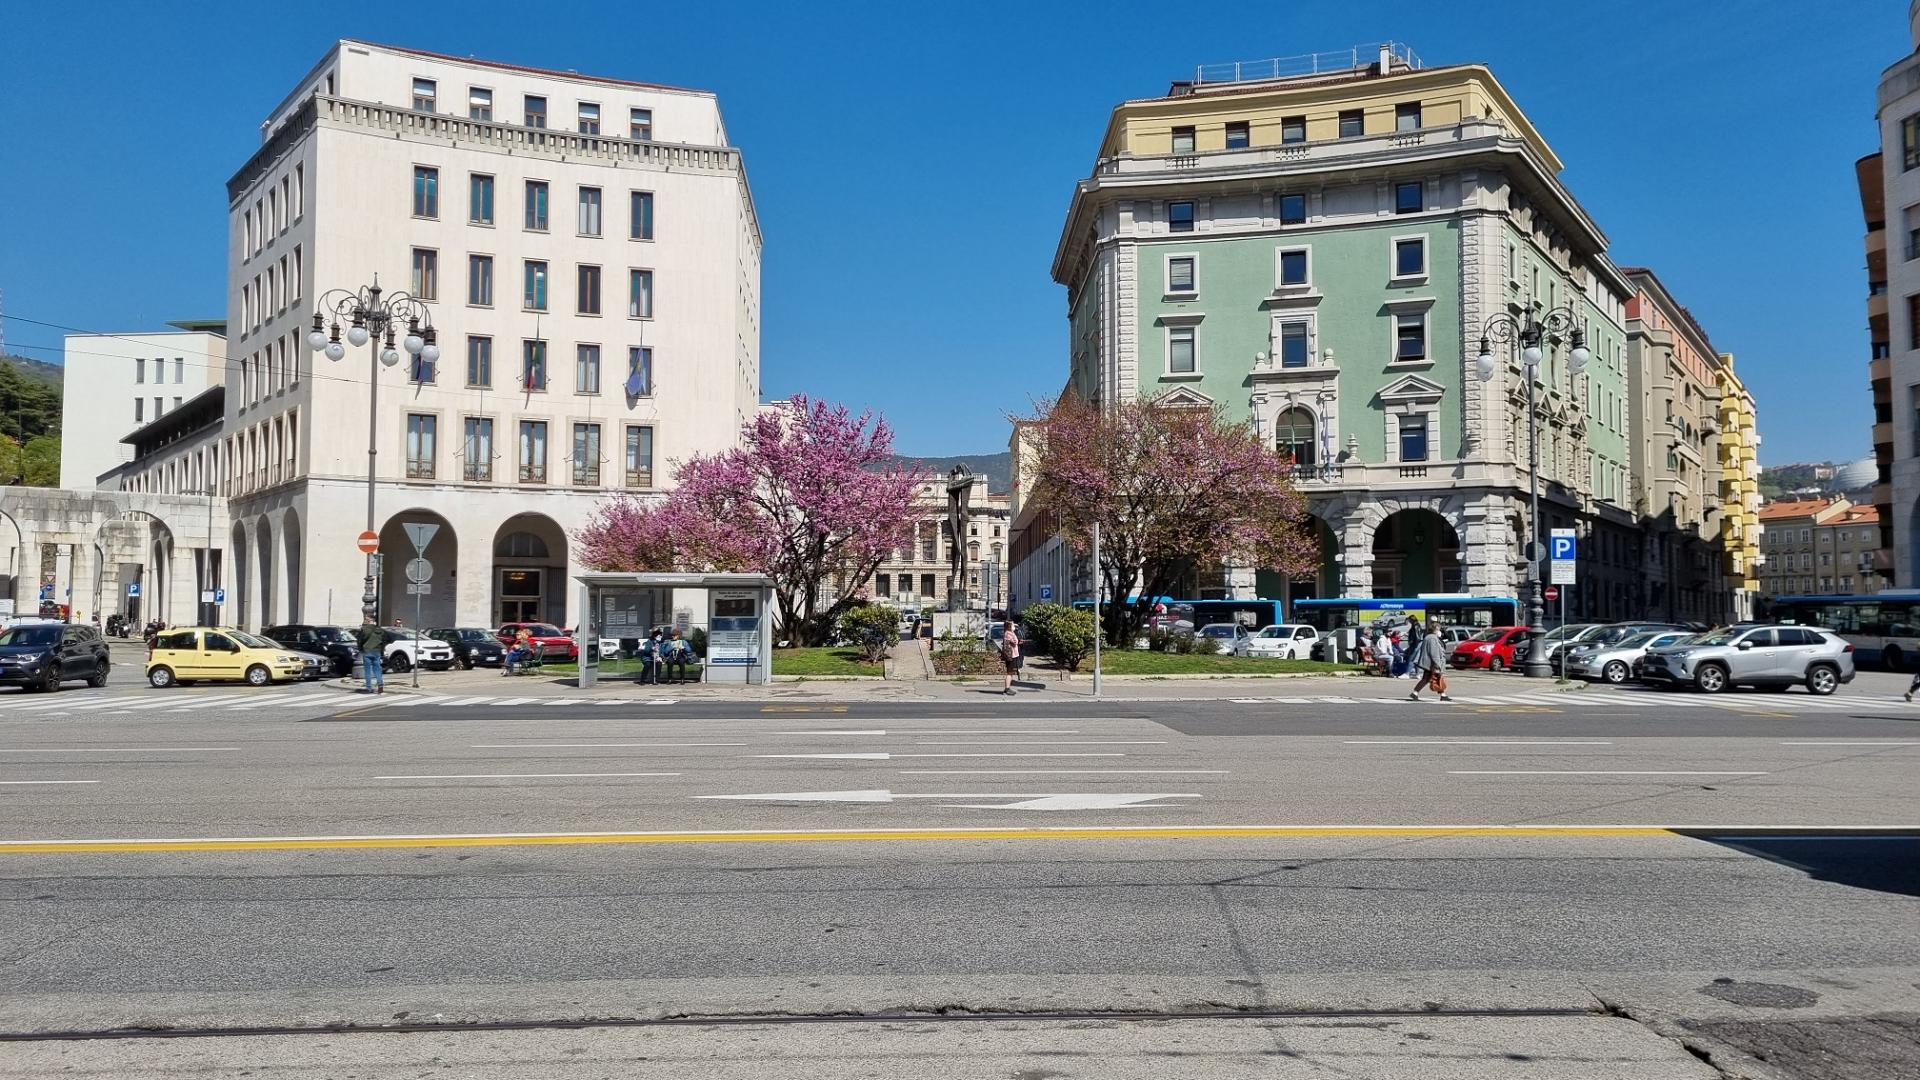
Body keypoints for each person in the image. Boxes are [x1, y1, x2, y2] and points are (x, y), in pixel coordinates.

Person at [1408, 623, 1451, 702]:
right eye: (1438, 629)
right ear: (1435, 630)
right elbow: (1434, 652)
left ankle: (1415, 693)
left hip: (1430, 662)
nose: (1440, 631)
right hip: (1432, 663)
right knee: (1435, 678)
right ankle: (1415, 693)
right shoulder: (1432, 638)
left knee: (1429, 678)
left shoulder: (1429, 637)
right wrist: (1437, 663)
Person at [353, 615, 386, 694]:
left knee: (367, 670)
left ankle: (369, 687)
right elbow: (383, 640)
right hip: (376, 651)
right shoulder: (379, 629)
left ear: (369, 620)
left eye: (366, 619)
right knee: (377, 669)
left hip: (367, 651)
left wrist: (360, 648)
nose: (365, 620)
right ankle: (380, 683)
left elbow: (360, 640)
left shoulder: (364, 629)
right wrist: (381, 649)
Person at [998, 619, 1022, 696]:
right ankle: (1007, 689)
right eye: (1012, 625)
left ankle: (1008, 688)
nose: (1014, 626)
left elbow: (1014, 642)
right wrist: (1017, 640)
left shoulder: (1010, 633)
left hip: (1013, 655)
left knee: (1011, 672)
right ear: (1009, 626)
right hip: (1011, 656)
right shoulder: (1008, 633)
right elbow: (1014, 642)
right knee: (1009, 673)